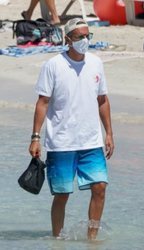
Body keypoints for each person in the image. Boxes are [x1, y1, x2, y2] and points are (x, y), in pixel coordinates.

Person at [29, 17, 114, 240]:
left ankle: (92, 239)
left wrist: (109, 133)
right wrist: (36, 137)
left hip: (91, 141)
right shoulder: (53, 65)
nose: (85, 40)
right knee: (62, 194)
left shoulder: (96, 63)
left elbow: (102, 99)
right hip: (61, 143)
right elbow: (42, 103)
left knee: (100, 187)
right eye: (80, 37)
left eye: (88, 36)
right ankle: (57, 240)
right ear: (68, 39)